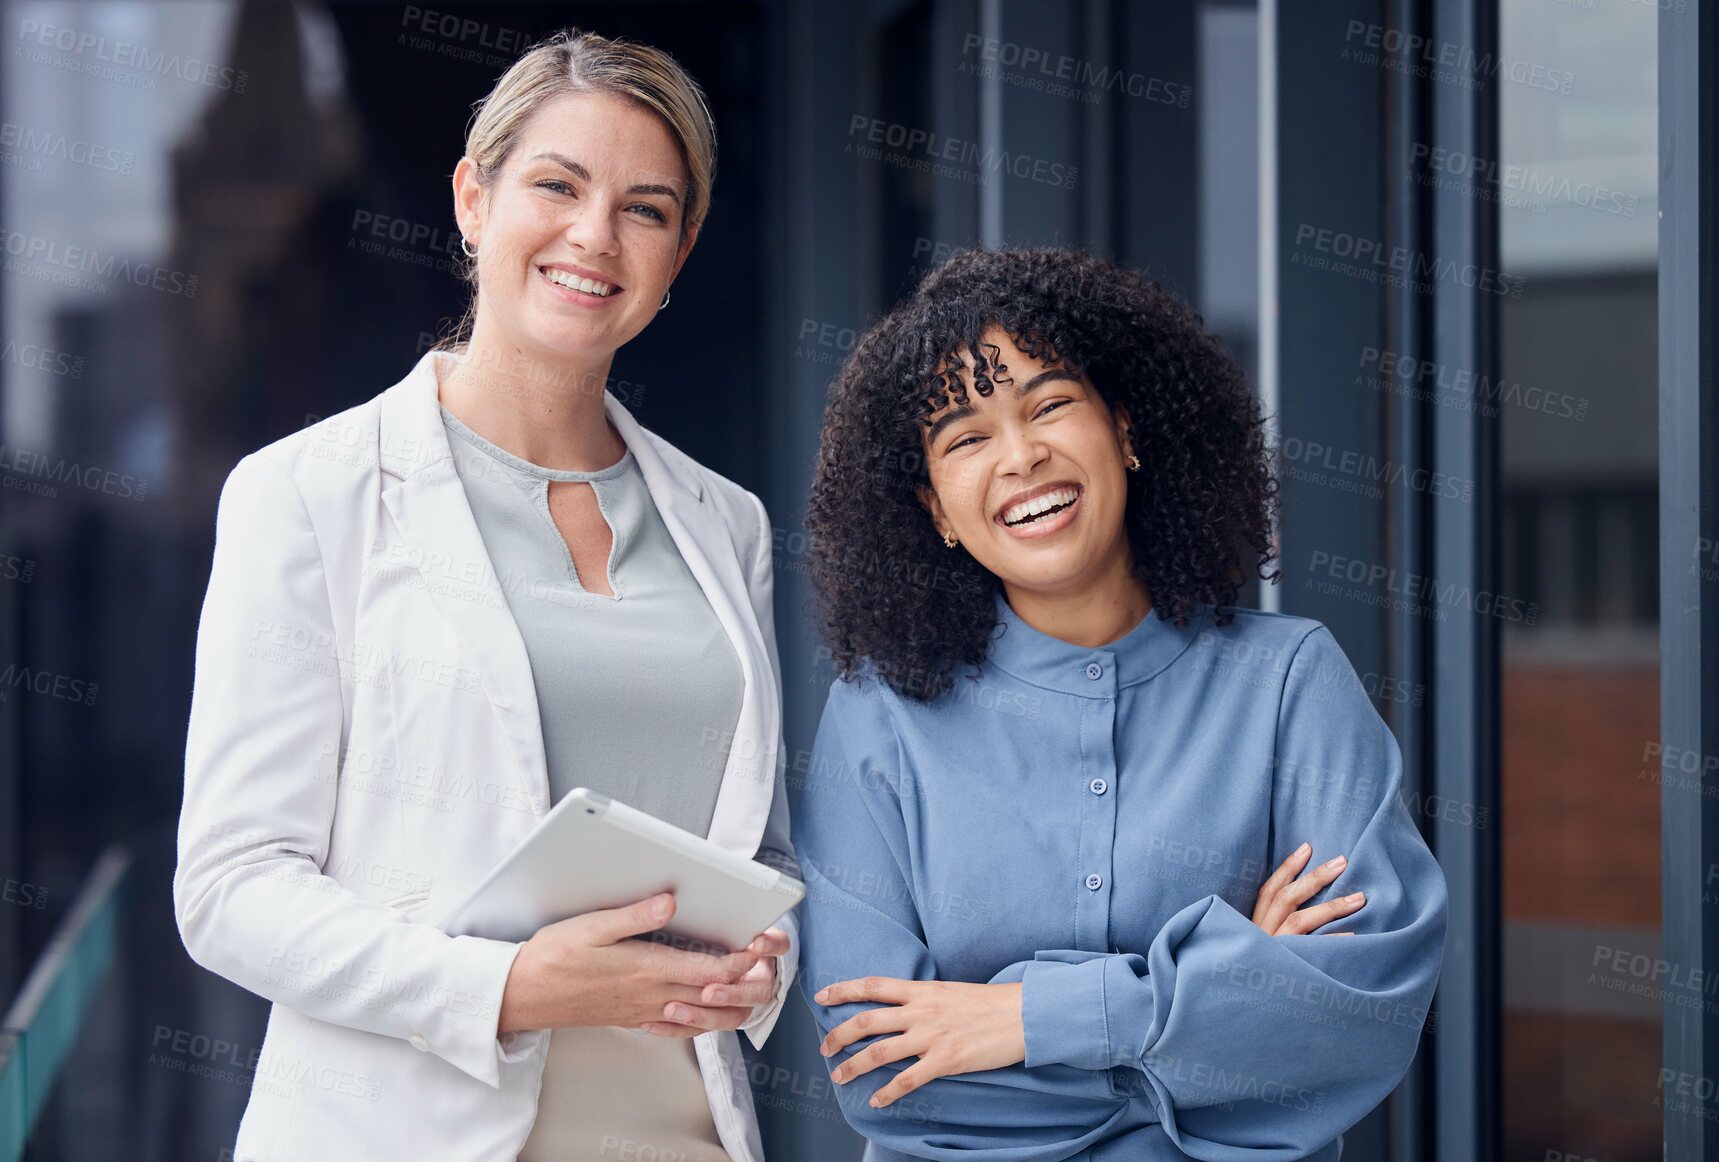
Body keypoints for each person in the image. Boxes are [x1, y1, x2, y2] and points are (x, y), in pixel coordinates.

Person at [173, 28, 797, 1162]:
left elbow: (764, 856)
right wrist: (505, 986)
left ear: (681, 250)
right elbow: (229, 887)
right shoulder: (306, 494)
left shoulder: (727, 523)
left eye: (646, 209)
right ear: (473, 198)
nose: (593, 235)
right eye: (556, 185)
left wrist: (760, 966)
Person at [793, 246, 1447, 1160]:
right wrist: (1216, 994)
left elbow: (1355, 1018)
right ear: (935, 508)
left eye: (1050, 404)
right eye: (965, 439)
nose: (1020, 456)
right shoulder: (878, 719)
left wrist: (1020, 1016)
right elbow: (887, 1080)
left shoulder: (1290, 682)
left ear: (1126, 430)